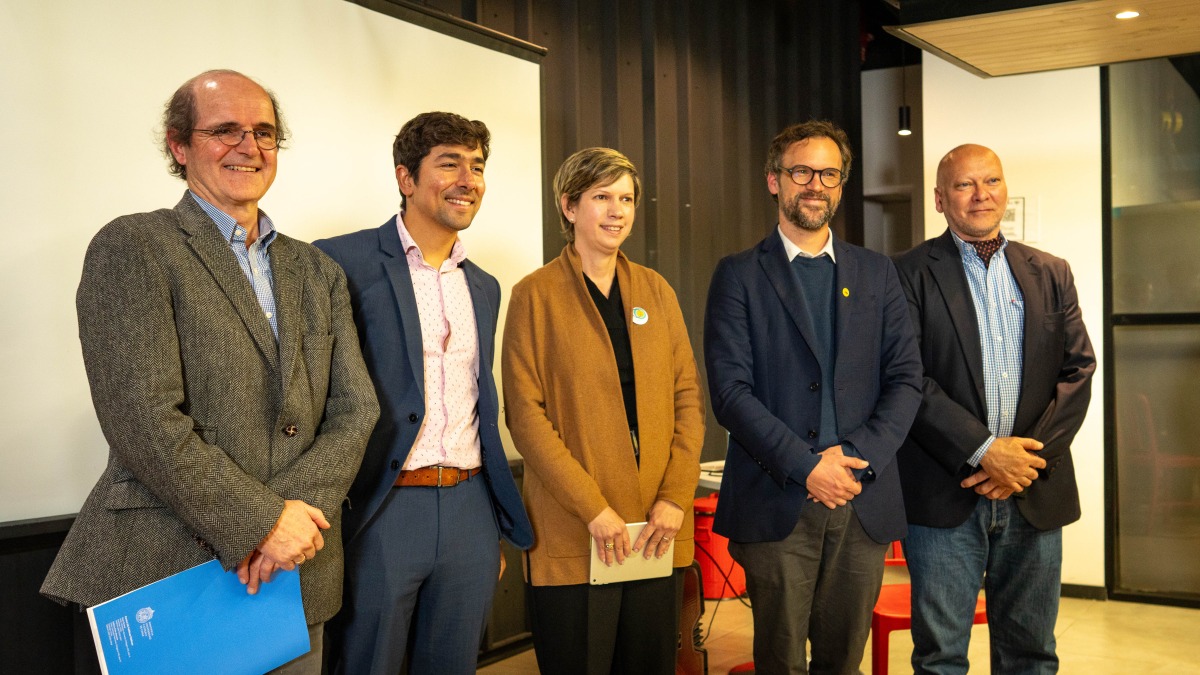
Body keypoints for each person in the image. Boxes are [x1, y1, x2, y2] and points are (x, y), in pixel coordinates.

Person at [40, 69, 380, 675]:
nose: (249, 147)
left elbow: (357, 409)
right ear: (178, 145)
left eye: (265, 132)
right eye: (225, 130)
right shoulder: (135, 246)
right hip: (173, 574)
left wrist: (289, 524)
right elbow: (144, 420)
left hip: (295, 578)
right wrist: (258, 522)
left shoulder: (317, 271)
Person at [312, 111, 533, 675]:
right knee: (367, 664)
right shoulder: (340, 261)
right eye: (449, 163)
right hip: (384, 505)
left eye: (477, 166)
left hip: (469, 507)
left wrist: (485, 525)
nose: (468, 179)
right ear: (405, 178)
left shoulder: (483, 285)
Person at [704, 120, 923, 674]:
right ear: (774, 181)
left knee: (843, 662)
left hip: (861, 496)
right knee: (780, 661)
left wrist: (853, 460)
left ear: (841, 184)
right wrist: (806, 468)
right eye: (801, 171)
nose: (815, 185)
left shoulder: (878, 274)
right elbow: (731, 393)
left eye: (828, 173)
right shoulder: (738, 276)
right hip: (777, 498)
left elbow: (906, 380)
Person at [892, 144, 1095, 674]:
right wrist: (984, 452)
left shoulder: (1050, 271)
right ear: (940, 199)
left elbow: (1078, 372)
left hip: (1034, 489)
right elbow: (908, 378)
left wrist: (1024, 462)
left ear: (1005, 189)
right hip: (944, 493)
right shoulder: (907, 274)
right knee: (940, 658)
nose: (981, 195)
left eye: (992, 182)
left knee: (1031, 654)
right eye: (964, 185)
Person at [501, 147, 705, 674]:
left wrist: (676, 497)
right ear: (569, 207)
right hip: (575, 530)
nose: (617, 211)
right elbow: (525, 416)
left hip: (656, 529)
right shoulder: (534, 296)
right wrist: (593, 508)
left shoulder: (656, 293)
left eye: (627, 199)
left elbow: (687, 400)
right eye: (601, 197)